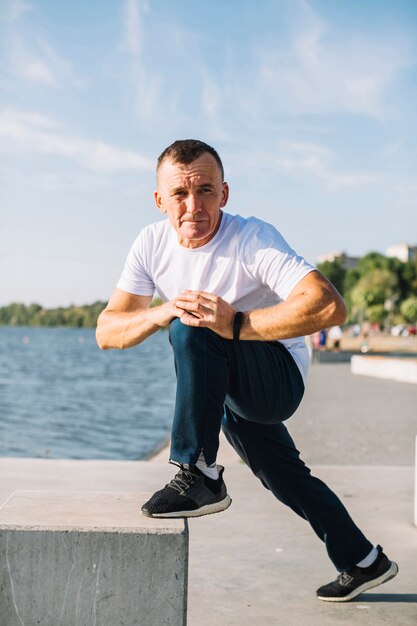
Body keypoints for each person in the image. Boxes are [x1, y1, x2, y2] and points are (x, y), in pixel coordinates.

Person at [96, 139, 398, 602]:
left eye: (206, 191)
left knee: (193, 330)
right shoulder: (150, 244)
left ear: (225, 193)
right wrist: (160, 313)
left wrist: (235, 323)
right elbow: (107, 330)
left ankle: (198, 472)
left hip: (276, 376)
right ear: (159, 200)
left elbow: (328, 306)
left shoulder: (251, 238)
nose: (193, 206)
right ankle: (363, 560)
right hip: (223, 383)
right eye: (179, 194)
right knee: (284, 477)